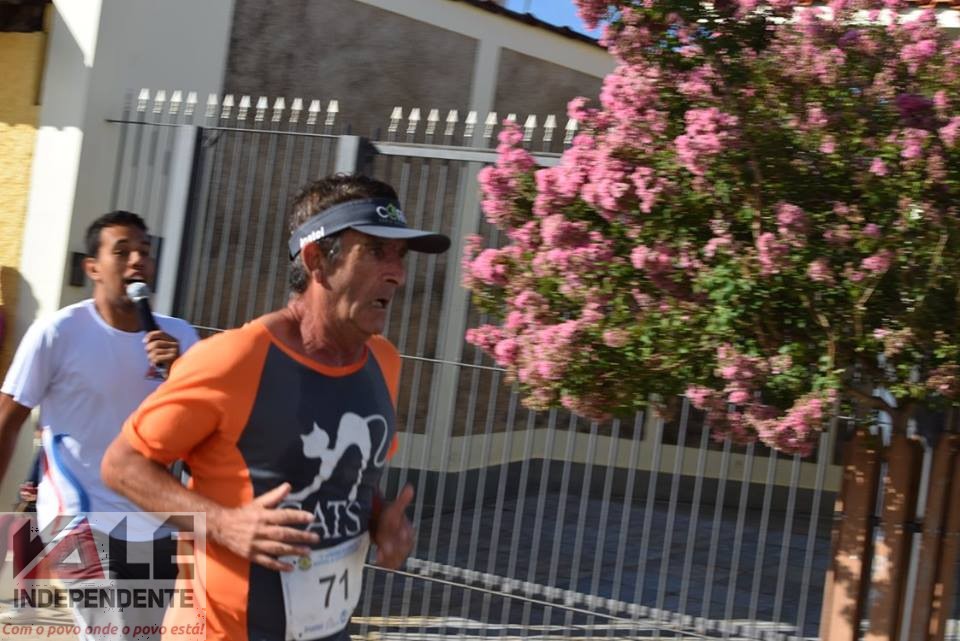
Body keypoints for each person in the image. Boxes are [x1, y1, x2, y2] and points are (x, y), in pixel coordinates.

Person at [101, 174, 451, 641]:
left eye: (400, 255)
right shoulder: (235, 359)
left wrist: (379, 518)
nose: (397, 273)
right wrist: (223, 524)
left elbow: (343, 480)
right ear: (316, 260)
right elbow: (122, 466)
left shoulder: (383, 362)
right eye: (374, 251)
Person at [0, 210, 200, 635]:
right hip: (76, 515)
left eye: (144, 251)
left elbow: (207, 429)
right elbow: (7, 420)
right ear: (93, 267)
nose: (137, 261)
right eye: (122, 251)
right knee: (112, 630)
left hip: (155, 519)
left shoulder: (180, 338)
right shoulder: (57, 333)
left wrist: (182, 373)